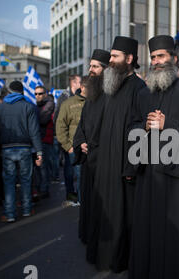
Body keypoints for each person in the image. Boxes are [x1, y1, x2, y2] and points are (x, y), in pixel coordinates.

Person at [128, 35, 179, 279]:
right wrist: (145, 128)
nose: (156, 61)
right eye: (153, 57)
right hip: (151, 174)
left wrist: (167, 125)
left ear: (174, 59)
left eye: (161, 56)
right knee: (149, 230)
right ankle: (148, 276)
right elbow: (133, 129)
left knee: (176, 233)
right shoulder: (144, 94)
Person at [87, 36, 148, 272]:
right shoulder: (112, 85)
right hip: (105, 164)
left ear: (129, 59)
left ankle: (119, 260)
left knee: (124, 216)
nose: (110, 61)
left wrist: (131, 167)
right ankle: (102, 256)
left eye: (115, 56)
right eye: (110, 56)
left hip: (124, 166)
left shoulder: (139, 88)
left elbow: (140, 131)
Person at [73, 49, 110, 244]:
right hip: (89, 160)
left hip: (103, 160)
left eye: (95, 66)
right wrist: (81, 142)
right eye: (90, 66)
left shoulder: (112, 95)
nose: (91, 70)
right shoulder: (91, 96)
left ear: (105, 69)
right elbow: (82, 125)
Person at [0, 81, 43, 222]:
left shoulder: (0, 108)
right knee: (26, 180)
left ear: (9, 92)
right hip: (24, 148)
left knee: (9, 182)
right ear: (22, 92)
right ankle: (27, 209)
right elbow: (34, 131)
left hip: (6, 148)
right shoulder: (28, 106)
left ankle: (10, 214)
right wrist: (39, 152)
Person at [56, 76, 88, 205]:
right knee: (78, 175)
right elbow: (60, 126)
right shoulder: (68, 104)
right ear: (83, 87)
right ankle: (81, 201)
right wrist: (68, 146)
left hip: (93, 147)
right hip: (75, 148)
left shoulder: (96, 102)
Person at [54, 75, 82, 190]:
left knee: (80, 172)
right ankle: (71, 194)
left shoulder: (82, 96)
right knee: (70, 170)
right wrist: (66, 143)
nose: (82, 85)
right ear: (73, 83)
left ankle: (80, 197)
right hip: (69, 142)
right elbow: (58, 120)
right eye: (80, 82)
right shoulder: (64, 98)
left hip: (80, 141)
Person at [33, 85, 55, 200]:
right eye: (36, 94)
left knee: (43, 167)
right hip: (38, 140)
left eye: (40, 93)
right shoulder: (36, 106)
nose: (38, 96)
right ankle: (40, 188)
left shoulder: (49, 104)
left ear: (45, 94)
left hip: (45, 139)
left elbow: (42, 119)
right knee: (38, 167)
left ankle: (44, 189)